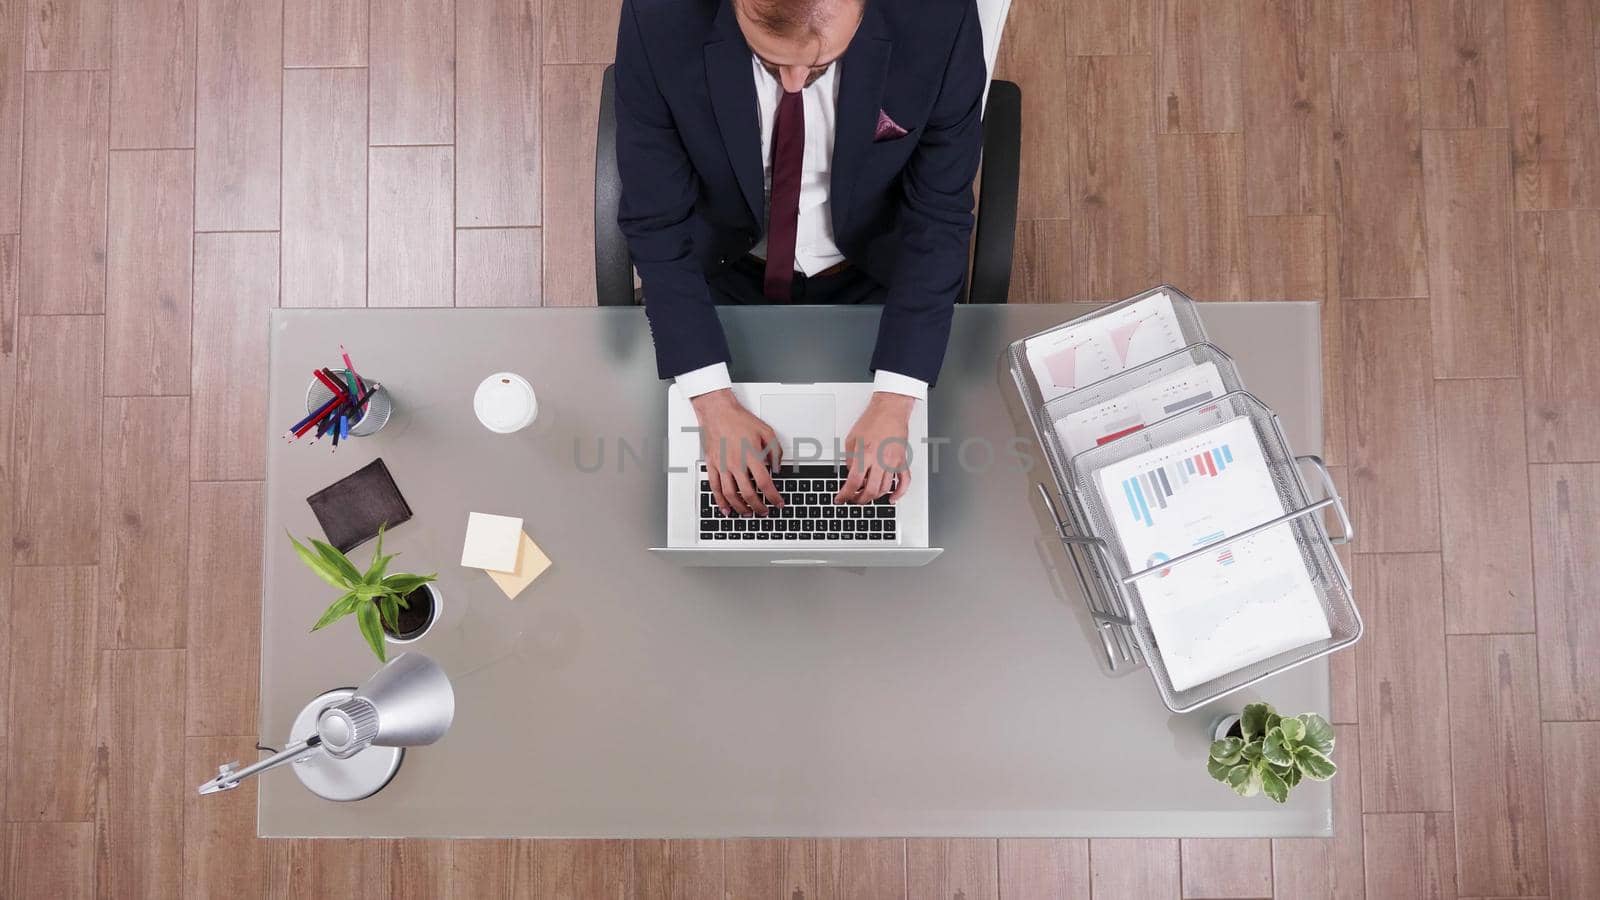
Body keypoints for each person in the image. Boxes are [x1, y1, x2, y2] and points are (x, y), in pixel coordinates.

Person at [614, 0, 986, 516]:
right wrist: (711, 399)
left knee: (944, 499)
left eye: (819, 66)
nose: (792, 83)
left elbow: (939, 216)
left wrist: (897, 397)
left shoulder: (938, 18)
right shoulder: (658, 16)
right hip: (722, 273)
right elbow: (657, 222)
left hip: (876, 275)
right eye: (768, 62)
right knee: (652, 492)